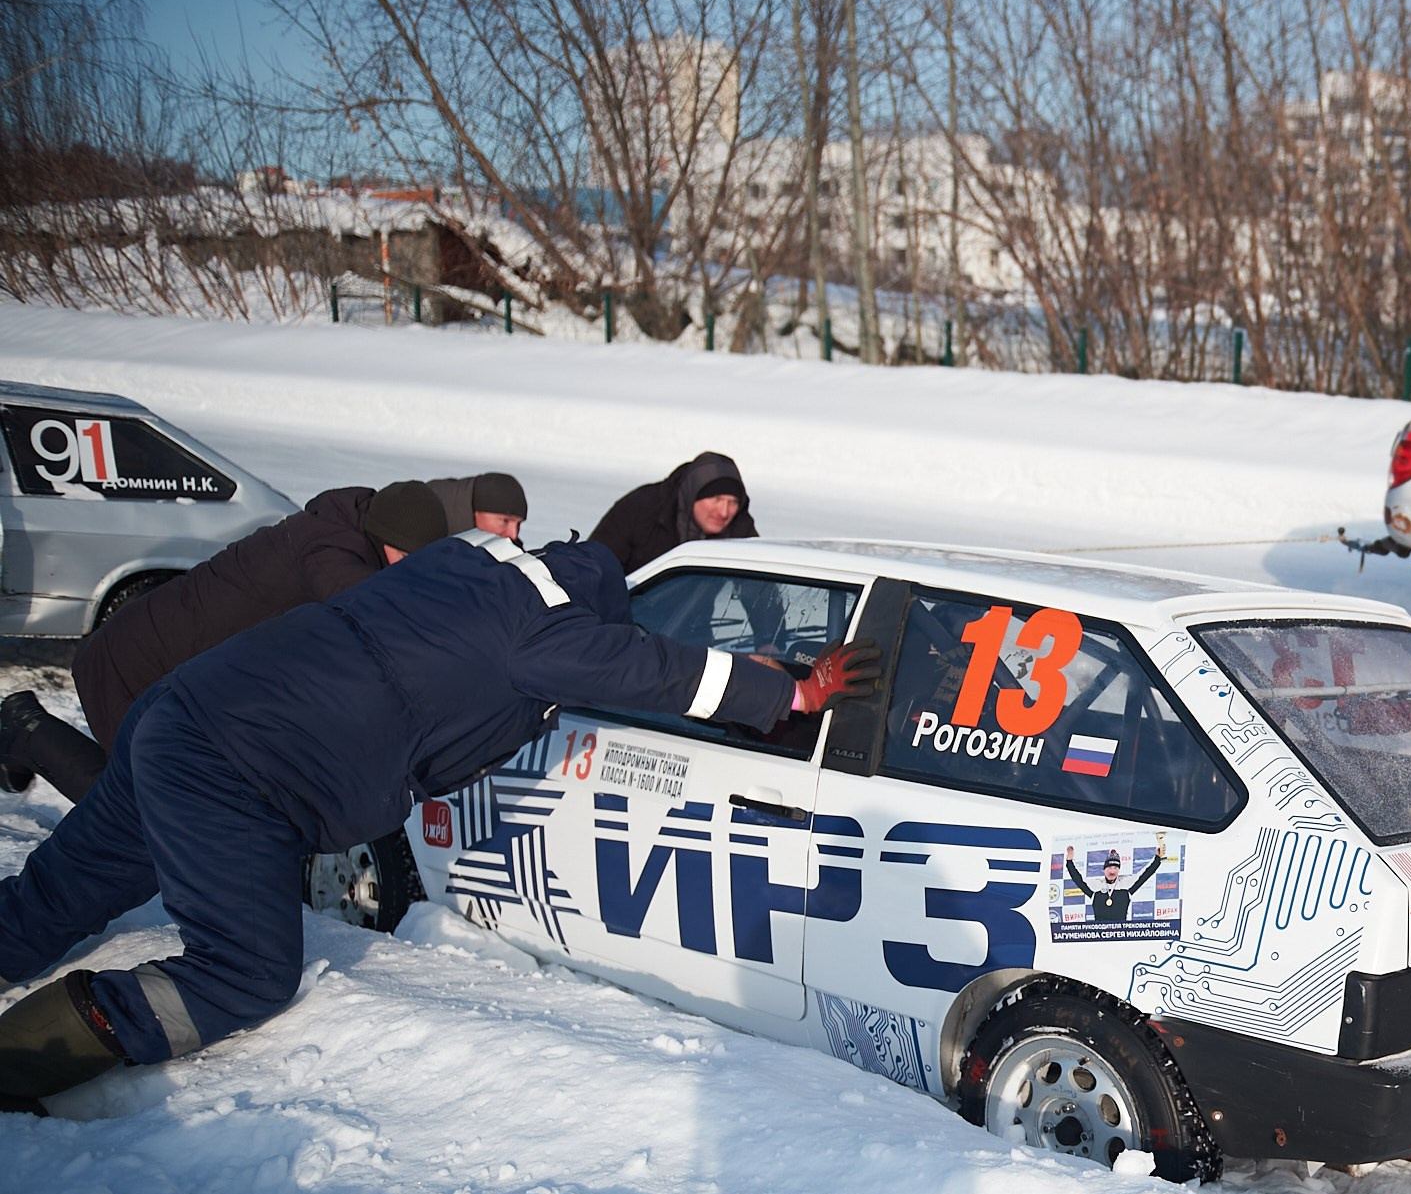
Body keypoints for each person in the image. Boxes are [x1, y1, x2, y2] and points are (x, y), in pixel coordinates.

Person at [0, 529, 877, 1111]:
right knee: (247, 973)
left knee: (60, 891)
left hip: (181, 713)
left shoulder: (454, 565)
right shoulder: (540, 635)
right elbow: (653, 672)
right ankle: (27, 1054)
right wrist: (788, 691)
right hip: (237, 778)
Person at [0, 480, 452, 805]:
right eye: (407, 557)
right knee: (138, 815)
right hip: (131, 667)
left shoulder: (347, 532)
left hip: (166, 664)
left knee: (159, 806)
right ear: (386, 538)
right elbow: (372, 628)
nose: (408, 570)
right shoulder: (334, 555)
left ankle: (25, 736)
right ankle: (24, 728)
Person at [589, 452, 756, 575]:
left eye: (732, 502)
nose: (724, 512)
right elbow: (593, 568)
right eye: (716, 499)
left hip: (691, 619)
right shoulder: (641, 508)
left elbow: (758, 593)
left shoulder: (740, 529)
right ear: (693, 495)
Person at [1065, 836, 1168, 923]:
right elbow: (1077, 879)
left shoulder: (1126, 885)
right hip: (1098, 935)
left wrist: (1157, 859)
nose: (1112, 871)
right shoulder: (1095, 886)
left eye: (1115, 868)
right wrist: (1069, 861)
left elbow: (1145, 874)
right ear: (1104, 870)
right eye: (1109, 868)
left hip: (1121, 935)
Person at [426, 471, 529, 540]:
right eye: (504, 521)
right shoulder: (421, 536)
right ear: (476, 511)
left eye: (518, 524)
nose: (513, 535)